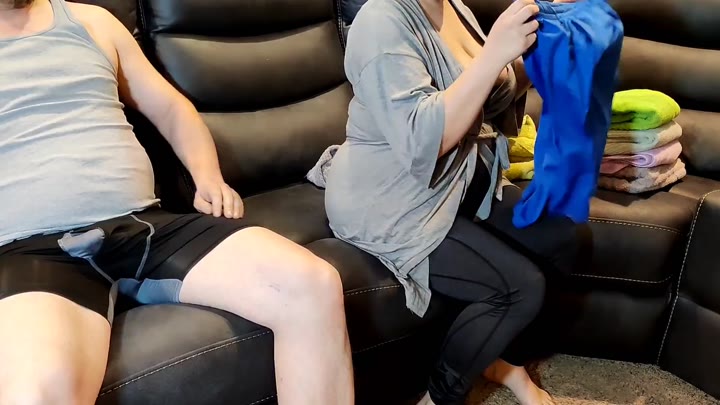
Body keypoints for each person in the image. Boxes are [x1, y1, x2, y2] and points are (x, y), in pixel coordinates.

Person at [0, 1, 354, 404]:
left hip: (143, 227)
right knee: (38, 390)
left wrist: (208, 178)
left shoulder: (91, 22)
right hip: (31, 250)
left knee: (311, 285)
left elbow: (170, 108)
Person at [324, 0, 584, 404]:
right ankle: (439, 396)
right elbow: (423, 140)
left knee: (562, 238)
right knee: (518, 288)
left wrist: (537, 52)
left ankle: (501, 362)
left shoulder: (453, 7)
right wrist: (495, 51)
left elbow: (487, 98)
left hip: (456, 181)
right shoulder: (379, 22)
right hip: (390, 199)